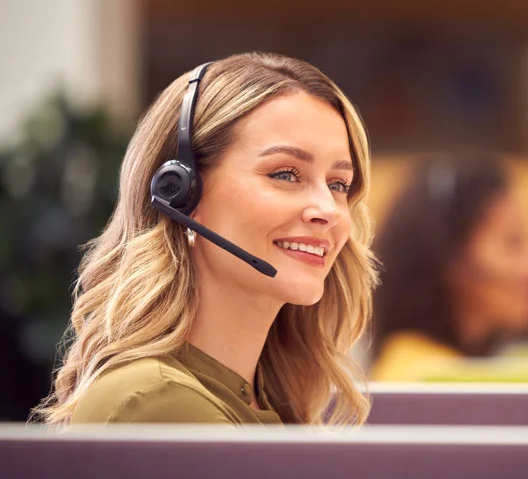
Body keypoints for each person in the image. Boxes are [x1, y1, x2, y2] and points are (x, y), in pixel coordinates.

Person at [33, 52, 378, 426]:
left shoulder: (259, 397)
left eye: (338, 184)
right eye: (285, 174)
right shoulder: (157, 403)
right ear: (182, 194)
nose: (327, 209)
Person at [370, 154, 528, 381]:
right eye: (512, 242)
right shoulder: (417, 377)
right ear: (452, 259)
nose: (526, 266)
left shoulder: (492, 364)